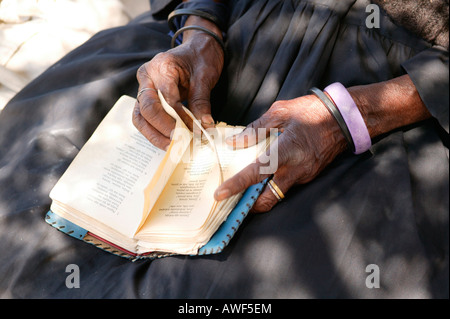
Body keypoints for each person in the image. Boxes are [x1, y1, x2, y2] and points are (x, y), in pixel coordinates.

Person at [0, 0, 447, 298]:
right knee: (27, 184)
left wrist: (351, 116)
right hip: (233, 33)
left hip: (405, 91)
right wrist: (199, 29)